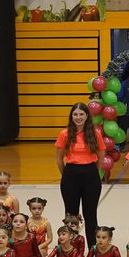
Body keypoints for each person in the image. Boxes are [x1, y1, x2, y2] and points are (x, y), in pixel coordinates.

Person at [56, 102, 103, 248]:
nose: (78, 117)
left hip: (91, 175)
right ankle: (71, 250)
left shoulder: (95, 134)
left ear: (87, 116)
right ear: (71, 116)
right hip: (70, 175)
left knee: (90, 216)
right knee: (71, 217)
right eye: (75, 114)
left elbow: (101, 155)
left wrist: (94, 171)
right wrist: (66, 175)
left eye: (81, 114)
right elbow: (59, 158)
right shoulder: (64, 134)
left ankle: (92, 251)